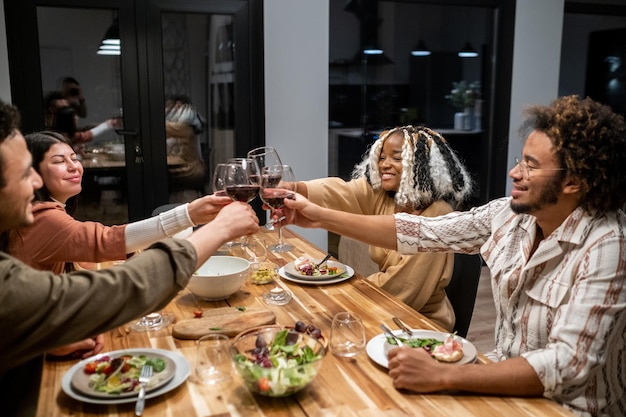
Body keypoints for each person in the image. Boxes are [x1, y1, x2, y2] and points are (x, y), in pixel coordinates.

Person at [280, 95, 626, 417]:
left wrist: (443, 376)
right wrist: (319, 216)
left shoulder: (608, 246)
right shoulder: (510, 214)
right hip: (499, 381)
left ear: (574, 182)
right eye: (520, 160)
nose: (515, 173)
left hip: (566, 408)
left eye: (531, 166)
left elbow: (565, 365)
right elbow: (423, 232)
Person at [0, 100, 259, 416]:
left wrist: (47, 338)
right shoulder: (39, 226)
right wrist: (216, 230)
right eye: (25, 171)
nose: (37, 182)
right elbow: (115, 280)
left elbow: (39, 309)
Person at [1, 130, 236, 357]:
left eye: (74, 157)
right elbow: (106, 241)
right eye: (59, 161)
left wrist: (47, 341)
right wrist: (190, 215)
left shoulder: (45, 214)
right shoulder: (42, 217)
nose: (74, 166)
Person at [295, 125, 473, 330]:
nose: (385, 165)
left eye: (397, 158)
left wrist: (342, 295)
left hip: (417, 323)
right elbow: (342, 191)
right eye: (382, 157)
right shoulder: (383, 196)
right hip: (382, 307)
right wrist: (295, 189)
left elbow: (404, 288)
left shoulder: (437, 214)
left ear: (422, 165)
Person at [165, 95, 207, 202]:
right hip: (191, 167)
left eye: (170, 106)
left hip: (191, 171)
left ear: (180, 106)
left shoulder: (184, 127)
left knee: (158, 174)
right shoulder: (189, 125)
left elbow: (162, 127)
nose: (168, 110)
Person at [43, 90, 119, 146]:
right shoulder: (47, 133)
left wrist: (108, 124)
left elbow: (83, 134)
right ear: (51, 110)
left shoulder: (68, 133)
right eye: (63, 108)